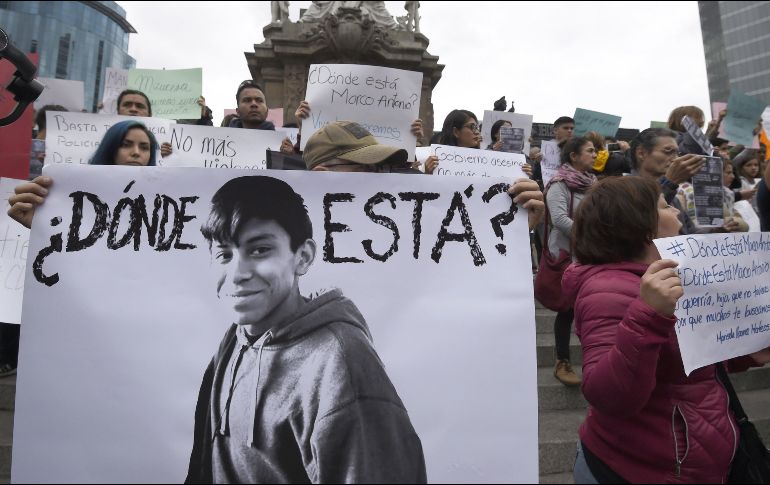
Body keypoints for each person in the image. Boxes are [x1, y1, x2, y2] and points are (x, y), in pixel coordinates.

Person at [185, 175, 427, 484]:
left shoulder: (341, 363)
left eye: (259, 250)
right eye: (224, 255)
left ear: (304, 256)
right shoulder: (234, 340)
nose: (237, 274)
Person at [563, 176, 770, 483]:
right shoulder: (607, 290)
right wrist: (649, 315)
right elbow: (609, 395)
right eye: (664, 206)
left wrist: (749, 351)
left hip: (691, 458)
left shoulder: (673, 275)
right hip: (639, 468)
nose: (675, 211)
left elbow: (688, 357)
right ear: (641, 226)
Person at [301, 121, 546, 230]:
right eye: (364, 168)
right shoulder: (286, 255)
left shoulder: (402, 230)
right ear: (322, 177)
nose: (379, 179)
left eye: (380, 169)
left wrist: (517, 231)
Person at [7, 120, 159, 230]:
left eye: (144, 147)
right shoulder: (76, 197)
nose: (136, 152)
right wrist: (41, 225)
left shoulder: (161, 203)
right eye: (126, 144)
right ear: (110, 149)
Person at [544, 136, 597, 386]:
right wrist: (594, 235)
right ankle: (562, 361)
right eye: (589, 150)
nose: (595, 154)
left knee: (588, 308)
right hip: (567, 255)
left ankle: (595, 361)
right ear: (573, 156)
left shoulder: (593, 184)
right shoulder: (559, 184)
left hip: (591, 254)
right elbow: (559, 220)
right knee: (567, 310)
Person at [629, 128, 739, 234]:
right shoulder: (623, 190)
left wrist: (715, 230)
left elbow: (688, 233)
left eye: (677, 153)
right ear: (641, 153)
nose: (675, 159)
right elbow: (640, 220)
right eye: (668, 151)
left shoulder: (674, 198)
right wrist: (670, 182)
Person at [230, 80, 295, 155]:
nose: (254, 104)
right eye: (247, 100)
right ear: (237, 111)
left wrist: (290, 157)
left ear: (267, 111)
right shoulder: (221, 144)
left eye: (259, 100)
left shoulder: (282, 145)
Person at [115, 89, 173, 158]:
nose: (133, 109)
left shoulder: (167, 140)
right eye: (127, 105)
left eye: (139, 106)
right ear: (118, 111)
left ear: (149, 114)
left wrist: (164, 157)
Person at [423, 109, 481, 174]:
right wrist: (427, 173)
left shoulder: (483, 161)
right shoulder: (435, 161)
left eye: (477, 127)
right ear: (456, 132)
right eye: (472, 127)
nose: (477, 132)